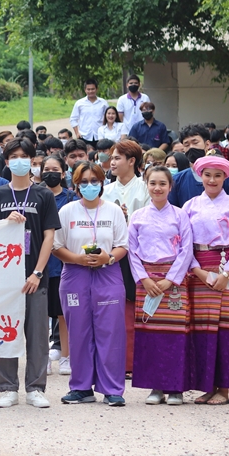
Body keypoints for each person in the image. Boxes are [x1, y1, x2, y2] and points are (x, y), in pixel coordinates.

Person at [0, 139, 61, 409]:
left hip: (35, 277)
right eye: (13, 156)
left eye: (24, 156)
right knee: (6, 334)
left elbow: (50, 235)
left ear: (32, 161)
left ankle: (36, 388)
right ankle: (7, 388)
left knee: (38, 336)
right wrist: (6, 223)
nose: (19, 160)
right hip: (5, 280)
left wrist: (38, 272)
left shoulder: (44, 195)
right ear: (6, 162)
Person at [52, 162, 128, 406]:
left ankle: (112, 389)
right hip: (75, 274)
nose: (89, 186)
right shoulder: (67, 211)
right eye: (83, 182)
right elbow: (56, 246)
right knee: (79, 332)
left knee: (110, 331)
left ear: (102, 184)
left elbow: (123, 245)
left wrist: (109, 257)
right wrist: (76, 259)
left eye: (94, 182)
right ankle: (81, 387)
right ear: (76, 185)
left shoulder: (114, 211)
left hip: (108, 273)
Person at [183, 156, 229, 405]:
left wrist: (228, 273)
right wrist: (197, 270)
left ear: (225, 178)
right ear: (200, 176)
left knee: (226, 328)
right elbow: (184, 243)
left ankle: (224, 389)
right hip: (199, 270)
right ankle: (208, 386)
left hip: (226, 268)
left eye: (218, 175)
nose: (212, 180)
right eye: (207, 175)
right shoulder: (190, 206)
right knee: (202, 328)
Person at [128, 166, 195, 406]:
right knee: (150, 335)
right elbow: (132, 252)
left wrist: (170, 280)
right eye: (152, 183)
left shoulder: (179, 215)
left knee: (176, 334)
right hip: (146, 280)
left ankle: (175, 387)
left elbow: (187, 250)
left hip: (173, 281)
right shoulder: (137, 217)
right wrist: (144, 279)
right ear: (146, 184)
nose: (157, 188)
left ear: (170, 186)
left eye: (162, 184)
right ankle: (155, 387)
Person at [101, 139, 149, 379]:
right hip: (113, 254)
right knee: (114, 308)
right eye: (112, 158)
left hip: (141, 253)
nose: (113, 162)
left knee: (136, 308)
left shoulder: (146, 188)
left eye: (118, 158)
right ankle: (115, 361)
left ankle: (135, 361)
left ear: (132, 161)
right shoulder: (106, 191)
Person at [40, 154, 78, 376]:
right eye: (46, 168)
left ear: (63, 173)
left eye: (55, 169)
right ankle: (43, 357)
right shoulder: (36, 195)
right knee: (41, 315)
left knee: (64, 315)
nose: (50, 172)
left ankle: (66, 356)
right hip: (41, 263)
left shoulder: (71, 197)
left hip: (64, 263)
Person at [169, 126, 229, 207]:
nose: (191, 147)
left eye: (195, 142)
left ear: (207, 144)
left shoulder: (227, 178)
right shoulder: (177, 180)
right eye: (186, 144)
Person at [69, 79, 108, 147]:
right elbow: (73, 119)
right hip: (84, 136)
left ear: (97, 89)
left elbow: (108, 118)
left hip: (100, 136)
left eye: (93, 89)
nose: (90, 91)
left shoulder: (103, 103)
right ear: (85, 90)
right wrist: (77, 133)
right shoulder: (79, 103)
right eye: (88, 89)